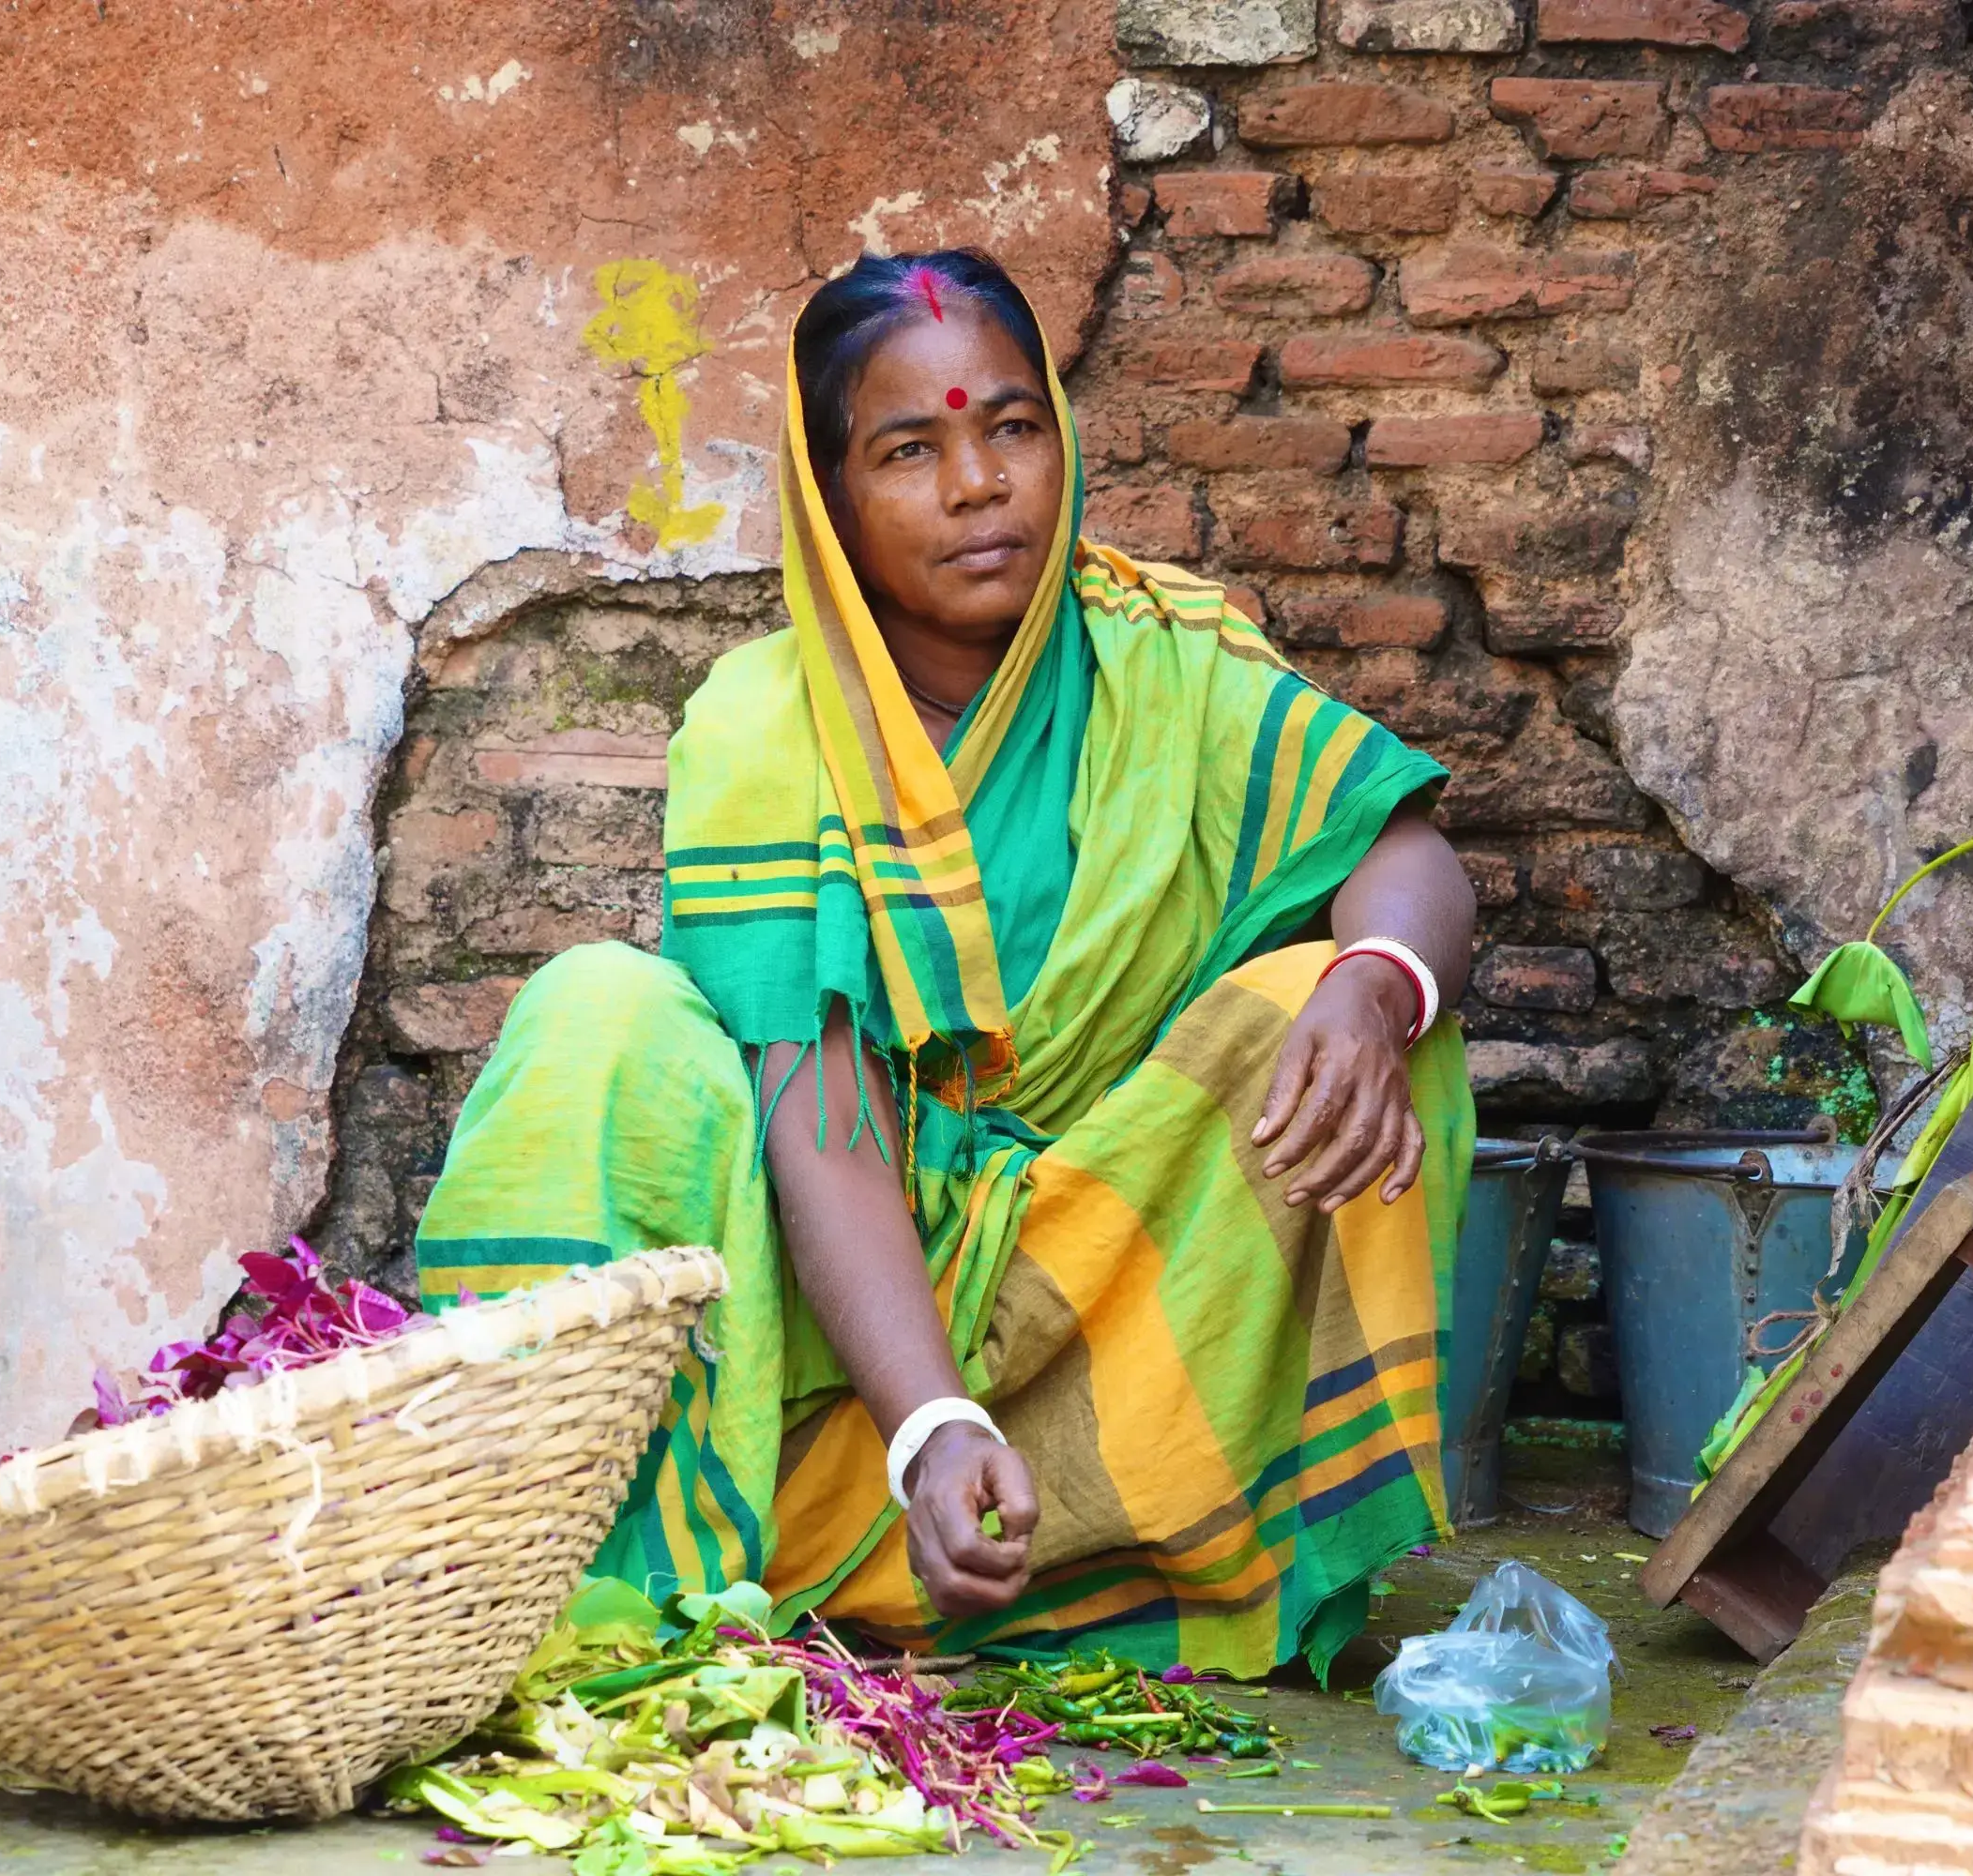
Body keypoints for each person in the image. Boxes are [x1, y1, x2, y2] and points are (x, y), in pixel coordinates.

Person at [412, 250, 1477, 1679]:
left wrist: (1372, 985)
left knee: (1346, 1003)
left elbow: (1404, 849)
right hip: (837, 1334)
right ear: (833, 503)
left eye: (1014, 428)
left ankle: (1151, 1537)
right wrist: (927, 1423)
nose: (981, 485)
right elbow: (821, 1122)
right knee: (599, 1008)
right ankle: (636, 1531)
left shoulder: (1160, 660)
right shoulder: (765, 726)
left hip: (1092, 1287)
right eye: (910, 450)